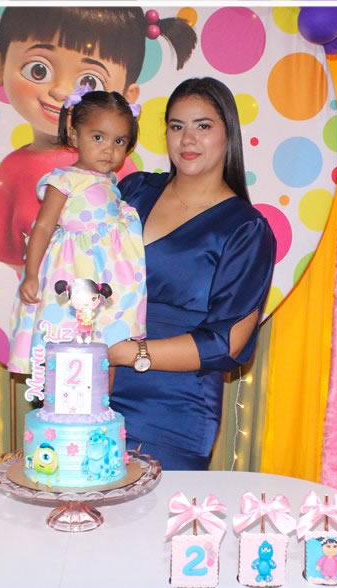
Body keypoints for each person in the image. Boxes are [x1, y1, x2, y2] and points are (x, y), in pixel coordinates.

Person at [108, 77, 277, 470]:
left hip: (172, 410)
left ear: (228, 134)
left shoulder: (246, 228)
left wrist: (127, 353)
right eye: (176, 126)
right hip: (93, 387)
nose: (188, 139)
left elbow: (227, 342)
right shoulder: (134, 190)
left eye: (203, 126)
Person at [0, 7, 197, 268]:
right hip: (47, 292)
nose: (60, 92)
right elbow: (10, 255)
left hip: (109, 289)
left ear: (126, 96)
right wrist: (37, 280)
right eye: (38, 70)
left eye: (89, 82)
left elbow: (136, 240)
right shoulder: (13, 169)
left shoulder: (115, 164)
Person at [7, 90, 146, 374]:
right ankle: (62, 393)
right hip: (71, 273)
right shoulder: (64, 179)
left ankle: (99, 396)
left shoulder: (111, 183)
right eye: (98, 137)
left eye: (119, 141)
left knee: (103, 345)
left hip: (104, 278)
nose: (109, 149)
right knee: (67, 339)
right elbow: (44, 226)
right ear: (74, 135)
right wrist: (31, 274)